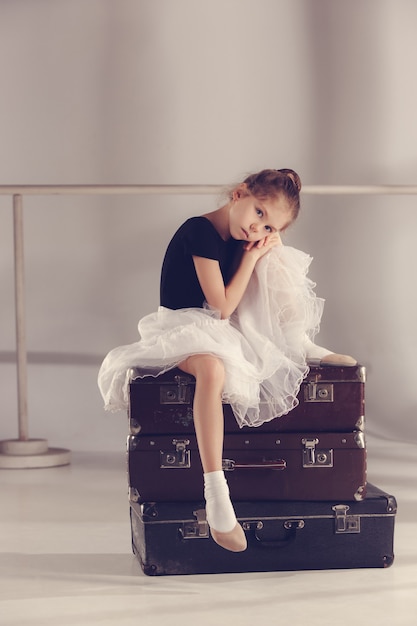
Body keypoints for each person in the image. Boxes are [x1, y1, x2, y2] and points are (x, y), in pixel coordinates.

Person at [98, 168, 356, 553]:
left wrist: (268, 244)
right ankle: (217, 493)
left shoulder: (249, 235)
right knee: (212, 368)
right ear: (238, 194)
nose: (257, 229)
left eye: (267, 224)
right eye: (258, 213)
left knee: (276, 253)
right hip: (181, 326)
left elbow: (229, 308)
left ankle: (297, 341)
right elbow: (219, 308)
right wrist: (251, 259)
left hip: (220, 326)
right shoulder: (199, 230)